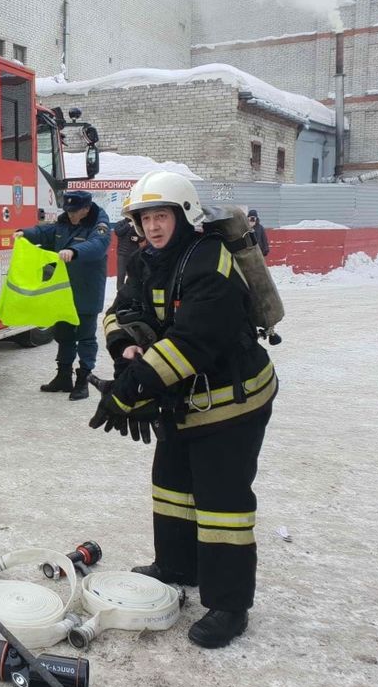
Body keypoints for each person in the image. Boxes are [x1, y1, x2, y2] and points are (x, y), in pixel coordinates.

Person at [89, 171, 278, 649]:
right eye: (145, 218)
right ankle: (176, 567)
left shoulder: (209, 260)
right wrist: (124, 350)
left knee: (222, 505)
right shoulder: (147, 259)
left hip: (232, 403)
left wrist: (130, 389)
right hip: (182, 400)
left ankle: (229, 604)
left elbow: (193, 343)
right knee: (172, 486)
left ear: (184, 216)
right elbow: (119, 311)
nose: (152, 227)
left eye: (161, 217)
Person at [17, 190, 111, 400]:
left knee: (86, 337)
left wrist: (75, 251)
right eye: (67, 211)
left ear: (86, 209)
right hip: (65, 291)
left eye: (74, 211)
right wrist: (25, 233)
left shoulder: (100, 224)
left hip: (87, 289)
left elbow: (98, 245)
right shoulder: (64, 223)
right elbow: (47, 232)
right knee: (64, 334)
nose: (70, 215)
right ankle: (63, 376)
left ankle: (83, 381)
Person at [112, 216, 144, 291]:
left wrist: (138, 239)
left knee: (134, 274)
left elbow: (142, 235)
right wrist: (129, 225)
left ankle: (133, 292)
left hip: (134, 253)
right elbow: (118, 232)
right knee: (121, 274)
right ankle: (120, 292)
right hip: (122, 253)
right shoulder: (120, 223)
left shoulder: (137, 224)